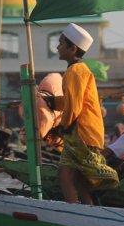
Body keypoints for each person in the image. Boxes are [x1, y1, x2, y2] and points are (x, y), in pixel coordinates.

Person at [47, 23, 119, 204]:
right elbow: (70, 100)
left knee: (64, 174)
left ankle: (74, 210)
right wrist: (52, 102)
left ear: (73, 48)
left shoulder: (75, 71)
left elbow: (74, 105)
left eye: (61, 43)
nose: (58, 47)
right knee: (77, 179)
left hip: (82, 133)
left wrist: (63, 127)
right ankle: (89, 210)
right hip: (86, 132)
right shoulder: (79, 70)